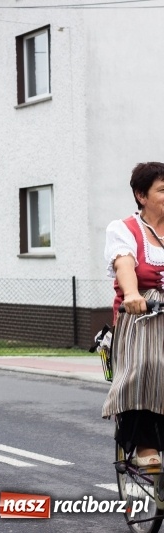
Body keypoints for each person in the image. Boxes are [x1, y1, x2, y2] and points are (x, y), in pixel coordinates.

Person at [103, 161, 164, 468]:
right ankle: (144, 444)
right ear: (142, 195)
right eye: (163, 190)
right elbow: (125, 264)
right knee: (148, 364)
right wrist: (131, 294)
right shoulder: (124, 229)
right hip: (141, 316)